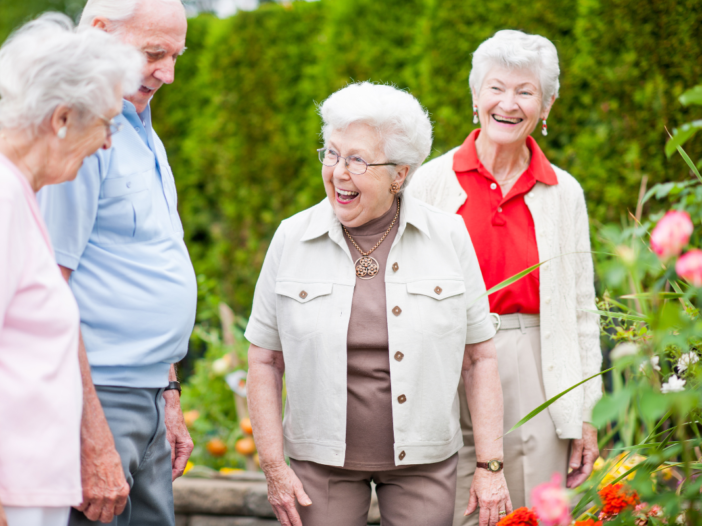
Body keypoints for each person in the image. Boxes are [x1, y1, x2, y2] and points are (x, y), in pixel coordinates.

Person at [245, 82, 512, 526]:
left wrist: (490, 466)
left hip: (425, 461)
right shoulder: (292, 237)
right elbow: (264, 361)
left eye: (357, 160)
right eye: (331, 154)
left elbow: (479, 359)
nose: (338, 172)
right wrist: (275, 467)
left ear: (400, 174)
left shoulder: (447, 236)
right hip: (320, 465)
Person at [408, 30, 603, 526]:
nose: (508, 104)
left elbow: (582, 309)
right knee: (450, 508)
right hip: (446, 357)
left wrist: (585, 413)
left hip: (534, 362)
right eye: (496, 88)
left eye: (525, 91)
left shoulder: (564, 192)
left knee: (538, 511)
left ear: (547, 104)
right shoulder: (429, 182)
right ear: (476, 97)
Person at [37, 1, 196, 524]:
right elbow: (45, 296)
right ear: (100, 33)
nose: (168, 74)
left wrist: (168, 392)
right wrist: (90, 436)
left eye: (176, 55)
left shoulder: (142, 128)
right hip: (96, 398)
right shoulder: (75, 134)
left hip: (145, 395)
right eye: (154, 53)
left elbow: (143, 264)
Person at [0, 13, 142, 526]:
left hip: (31, 486)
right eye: (105, 124)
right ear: (62, 119)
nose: (108, 143)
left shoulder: (23, 197)